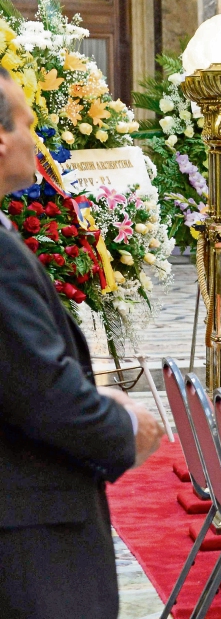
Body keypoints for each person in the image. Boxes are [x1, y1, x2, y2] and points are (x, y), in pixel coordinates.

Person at [0, 68, 164, 618]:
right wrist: (125, 426)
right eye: (27, 123)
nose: (35, 139)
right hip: (30, 543)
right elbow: (44, 394)